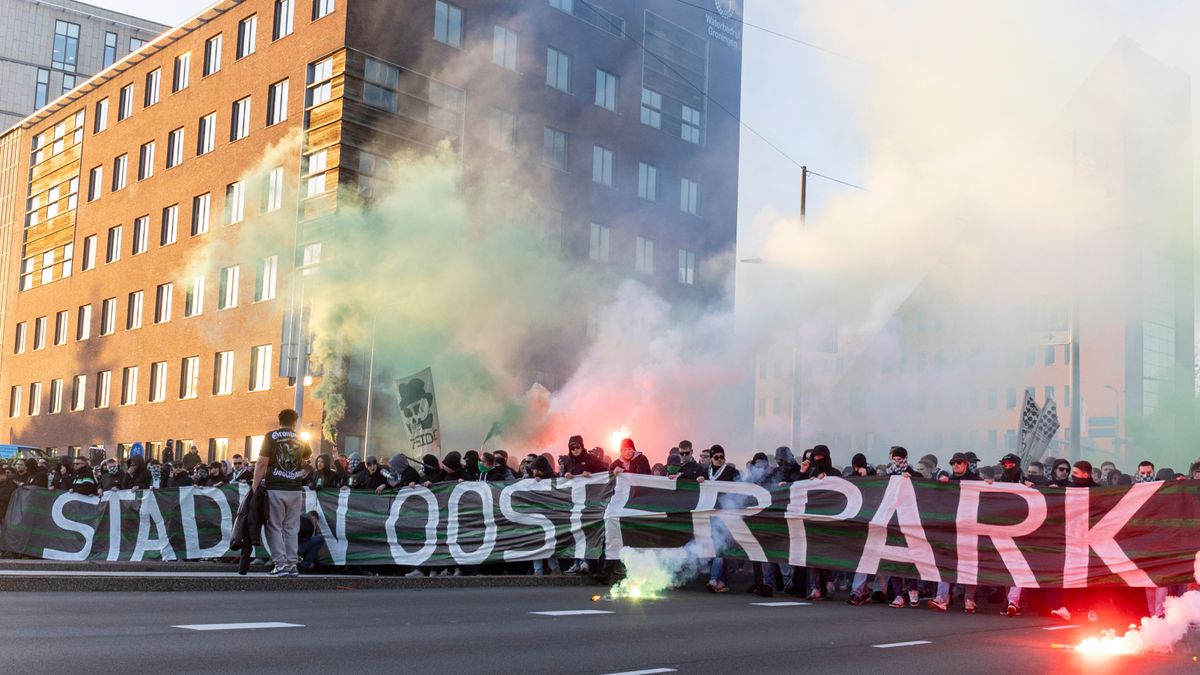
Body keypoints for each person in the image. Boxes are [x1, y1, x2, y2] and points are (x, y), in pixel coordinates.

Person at [252, 408, 313, 578]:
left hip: (276, 486)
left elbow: (262, 462)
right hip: (294, 487)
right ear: (295, 422)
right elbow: (306, 458)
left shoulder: (271, 436)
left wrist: (254, 486)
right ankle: (293, 564)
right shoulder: (301, 438)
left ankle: (280, 563)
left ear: (279, 421)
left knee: (274, 526)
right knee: (292, 527)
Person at [930, 452, 979, 613]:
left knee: (969, 565)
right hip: (951, 530)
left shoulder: (977, 482)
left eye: (958, 462)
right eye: (952, 463)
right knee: (946, 563)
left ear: (966, 464)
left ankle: (969, 599)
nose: (955, 465)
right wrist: (942, 477)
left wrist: (991, 483)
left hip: (971, 529)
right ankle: (941, 598)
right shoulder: (948, 481)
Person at [705, 446, 741, 593]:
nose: (720, 460)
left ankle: (714, 579)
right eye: (716, 457)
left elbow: (741, 487)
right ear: (711, 458)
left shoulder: (731, 472)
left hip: (726, 514)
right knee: (720, 548)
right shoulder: (705, 471)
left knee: (719, 548)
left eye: (722, 457)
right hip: (710, 514)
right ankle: (721, 582)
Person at [297, 510, 327, 574]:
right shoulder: (307, 522)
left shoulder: (298, 516)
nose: (316, 524)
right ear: (313, 517)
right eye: (316, 522)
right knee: (320, 539)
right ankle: (305, 565)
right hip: (293, 550)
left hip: (283, 550)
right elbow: (303, 542)